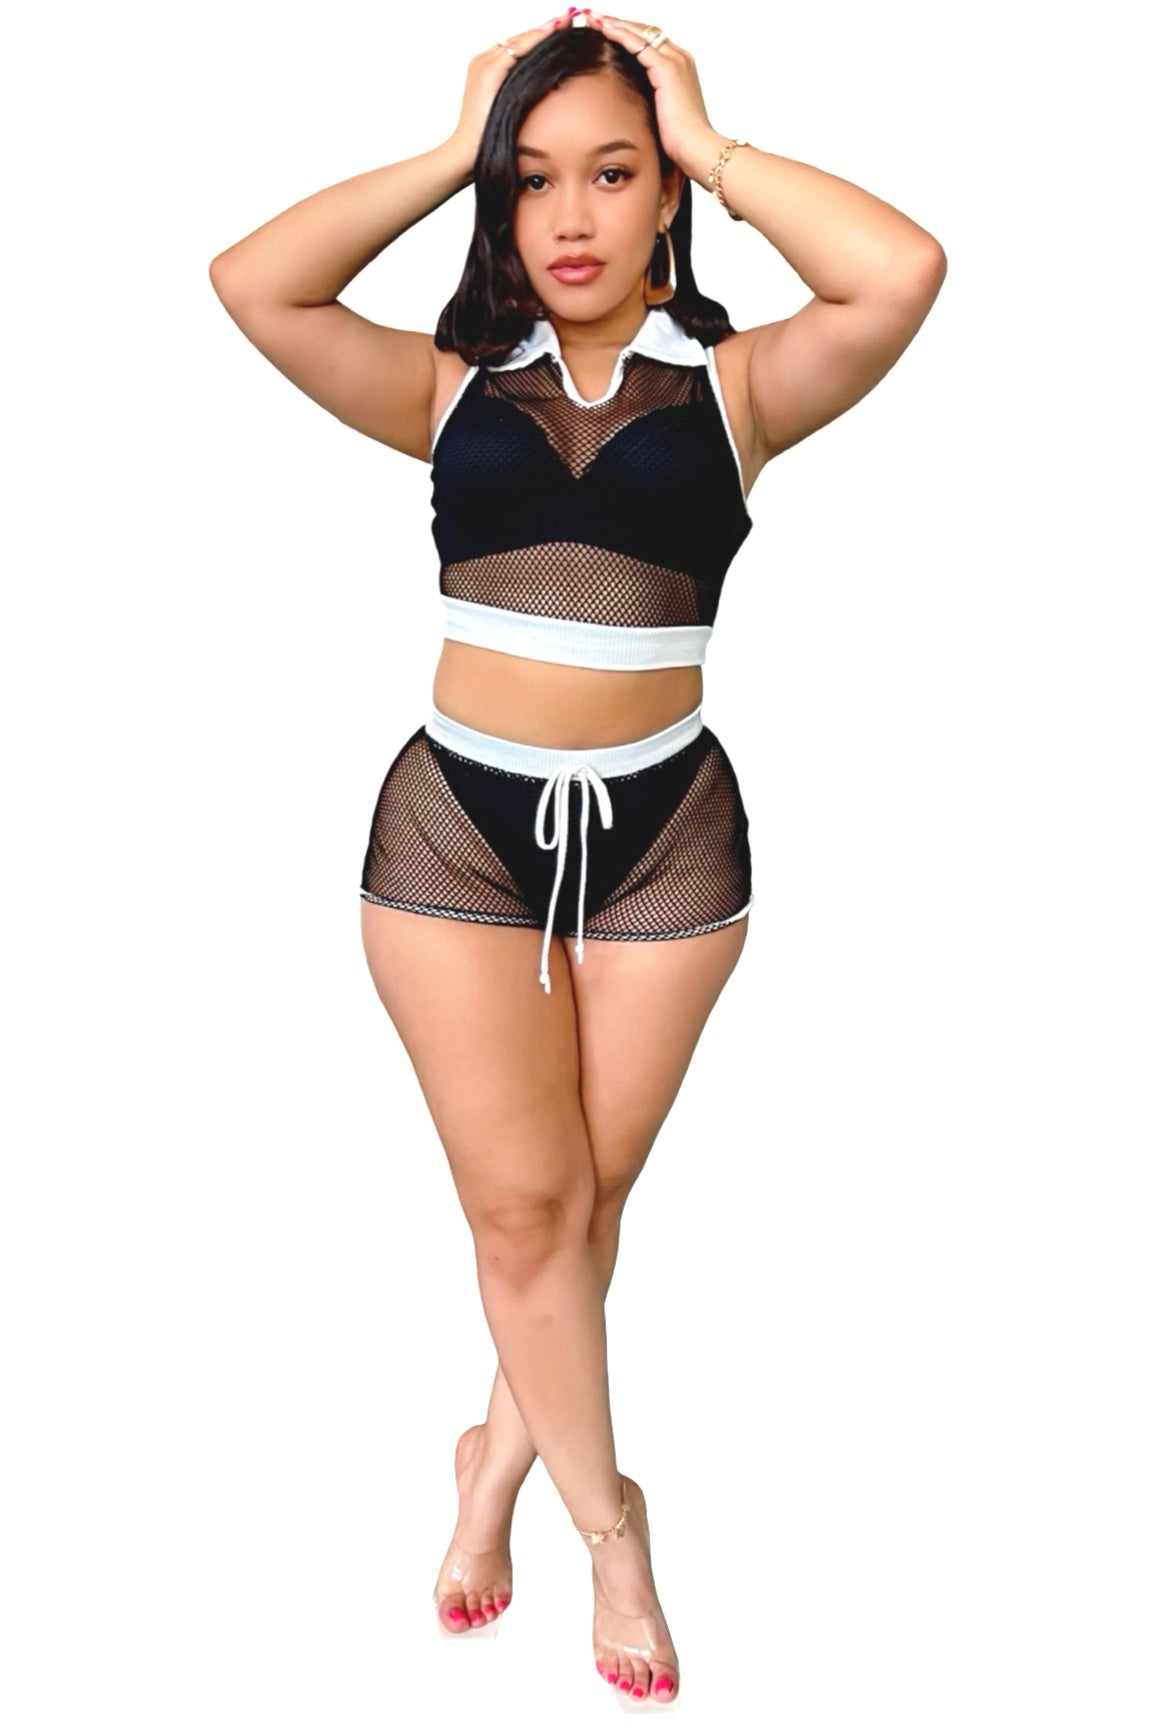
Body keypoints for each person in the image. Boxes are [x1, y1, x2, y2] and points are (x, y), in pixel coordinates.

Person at [209, 7, 946, 1705]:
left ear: (661, 195)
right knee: (525, 1207)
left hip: (665, 835)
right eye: (531, 179)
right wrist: (446, 147)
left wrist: (707, 139)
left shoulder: (742, 389)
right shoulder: (445, 386)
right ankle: (609, 1524)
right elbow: (255, 284)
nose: (568, 215)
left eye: (611, 175)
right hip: (454, 832)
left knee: (583, 1209)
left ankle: (489, 1465)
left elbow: (897, 272)